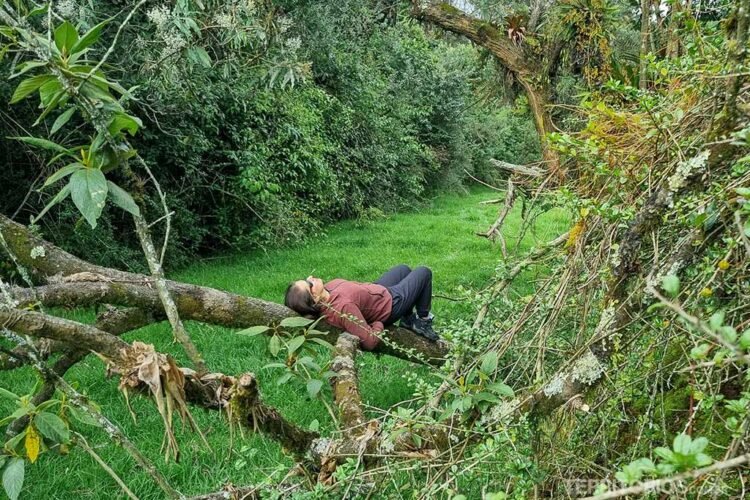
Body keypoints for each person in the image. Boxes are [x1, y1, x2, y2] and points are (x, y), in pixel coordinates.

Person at [284, 264, 438, 350]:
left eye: (306, 279)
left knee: (403, 269)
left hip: (377, 291)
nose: (311, 278)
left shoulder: (327, 290)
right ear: (315, 298)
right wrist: (379, 324)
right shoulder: (343, 308)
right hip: (389, 304)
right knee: (424, 273)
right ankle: (422, 321)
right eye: (309, 284)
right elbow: (369, 341)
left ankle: (407, 318)